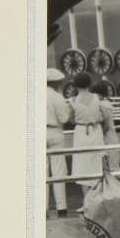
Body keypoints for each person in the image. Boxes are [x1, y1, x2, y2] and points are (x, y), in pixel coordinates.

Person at [69, 72, 108, 209]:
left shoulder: (72, 101)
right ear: (89, 84)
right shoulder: (97, 98)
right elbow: (102, 116)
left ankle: (87, 203)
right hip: (96, 131)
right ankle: (98, 200)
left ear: (75, 85)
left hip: (81, 133)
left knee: (82, 166)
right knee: (97, 164)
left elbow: (71, 119)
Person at [46, 68, 73, 217]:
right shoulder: (57, 97)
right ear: (56, 83)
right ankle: (61, 206)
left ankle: (43, 207)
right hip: (55, 132)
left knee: (42, 172)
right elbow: (64, 119)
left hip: (39, 132)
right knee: (58, 170)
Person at [91, 79, 120, 172]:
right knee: (109, 163)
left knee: (112, 163)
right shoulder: (102, 104)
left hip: (107, 137)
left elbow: (106, 125)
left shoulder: (103, 104)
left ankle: (114, 185)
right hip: (106, 136)